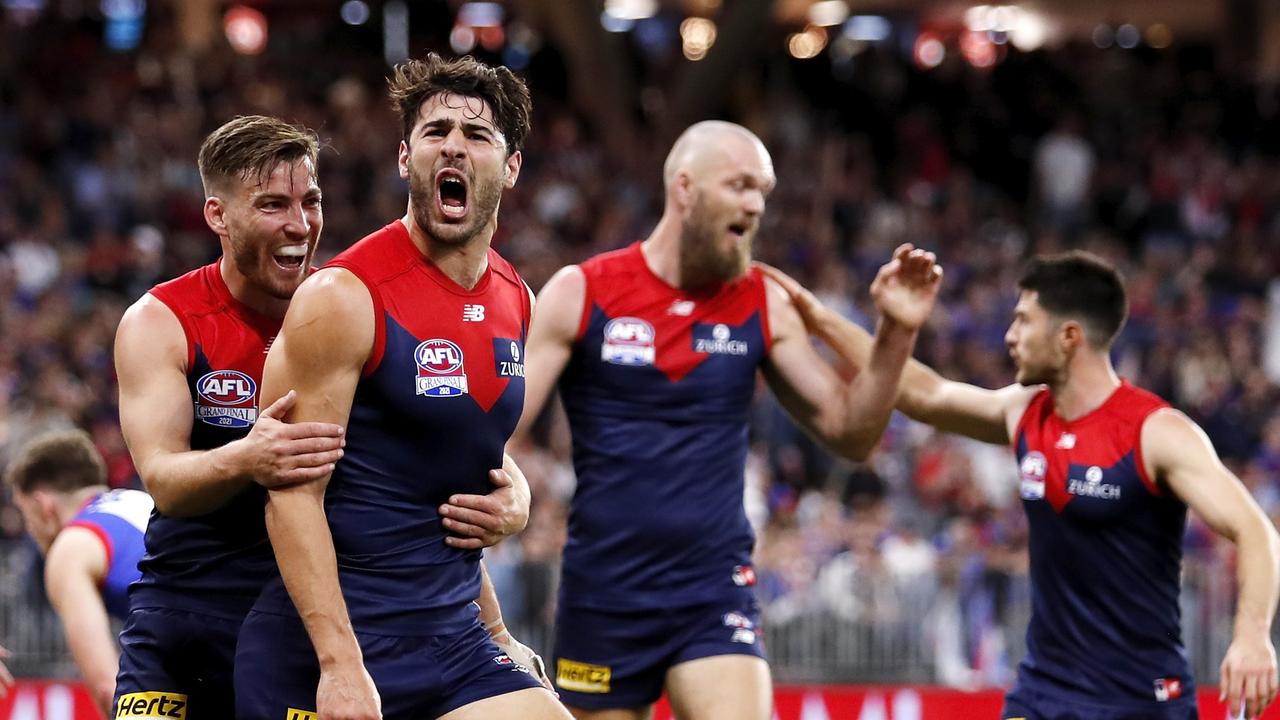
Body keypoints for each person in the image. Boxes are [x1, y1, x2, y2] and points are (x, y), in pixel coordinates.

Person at [516, 119, 943, 720]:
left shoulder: (761, 299)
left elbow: (852, 432)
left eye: (762, 192)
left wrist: (896, 330)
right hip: (604, 589)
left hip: (713, 587)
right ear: (685, 189)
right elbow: (499, 432)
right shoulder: (580, 292)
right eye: (741, 185)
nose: (755, 205)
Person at [113, 114, 533, 720]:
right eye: (272, 205)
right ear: (217, 216)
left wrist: (511, 486)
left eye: (310, 201)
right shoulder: (161, 321)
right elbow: (164, 483)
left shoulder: (341, 305)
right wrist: (249, 458)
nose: (299, 225)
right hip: (189, 612)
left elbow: (421, 452)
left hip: (313, 615)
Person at [762, 250, 1280, 720]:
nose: (1009, 336)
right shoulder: (1023, 411)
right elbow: (925, 392)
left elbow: (1257, 532)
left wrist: (1253, 633)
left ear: (1069, 336)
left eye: (1023, 321)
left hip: (1140, 700)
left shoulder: (1156, 433)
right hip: (1043, 692)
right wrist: (819, 318)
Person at [232, 54, 569, 720]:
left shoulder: (517, 300)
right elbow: (291, 495)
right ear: (404, 157)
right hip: (327, 646)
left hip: (452, 640)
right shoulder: (342, 298)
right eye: (435, 130)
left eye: (477, 135)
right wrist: (340, 664)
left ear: (511, 167)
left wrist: (513, 508)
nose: (453, 144)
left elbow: (454, 472)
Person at [5, 429, 152, 715]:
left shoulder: (71, 547)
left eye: (26, 516)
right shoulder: (138, 500)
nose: (30, 531)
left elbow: (106, 686)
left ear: (42, 506)